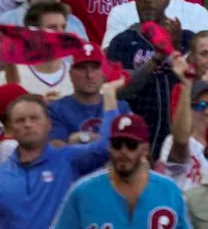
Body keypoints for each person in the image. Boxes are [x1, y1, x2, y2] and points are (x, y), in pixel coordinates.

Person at [0, 84, 123, 226]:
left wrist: (109, 98)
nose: (28, 124)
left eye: (34, 118)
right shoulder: (2, 174)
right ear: (11, 128)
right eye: (20, 120)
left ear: (49, 124)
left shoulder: (67, 159)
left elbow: (107, 146)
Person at [52, 112, 191, 228]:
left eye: (131, 145)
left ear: (145, 149)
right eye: (117, 144)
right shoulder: (82, 192)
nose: (123, 152)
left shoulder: (169, 190)